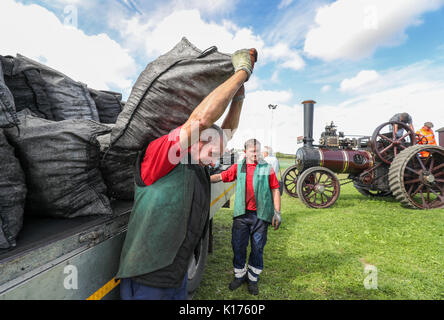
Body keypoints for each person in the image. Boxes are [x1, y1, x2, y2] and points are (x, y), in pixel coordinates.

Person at [115, 48, 258, 300]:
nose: (217, 154)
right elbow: (201, 120)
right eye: (211, 147)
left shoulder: (199, 164)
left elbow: (229, 130)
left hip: (176, 272)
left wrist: (238, 97)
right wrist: (241, 73)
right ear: (195, 140)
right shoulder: (162, 155)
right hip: (149, 276)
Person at [210, 138, 281, 296]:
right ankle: (239, 275)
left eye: (258, 150)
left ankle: (253, 278)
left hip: (260, 216)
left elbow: (275, 189)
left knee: (257, 248)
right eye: (252, 151)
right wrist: (204, 179)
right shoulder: (239, 167)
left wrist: (277, 212)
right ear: (245, 152)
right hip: (242, 216)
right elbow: (222, 176)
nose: (256, 154)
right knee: (238, 246)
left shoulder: (266, 167)